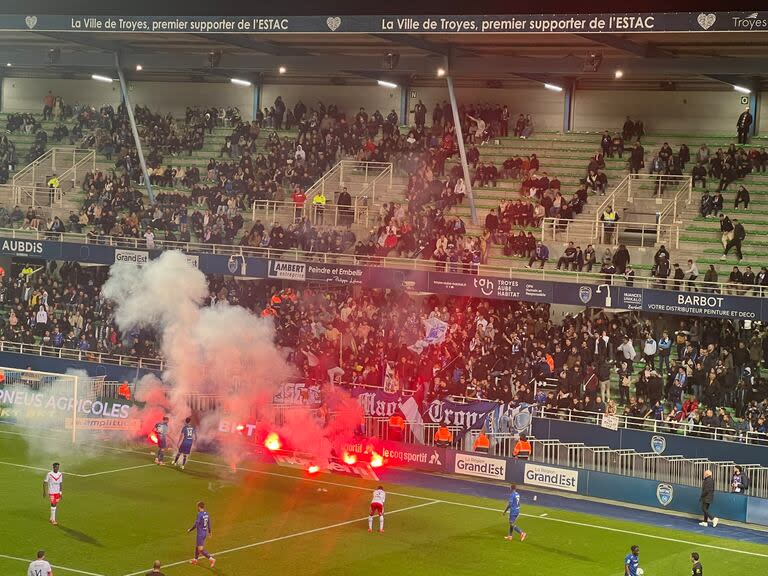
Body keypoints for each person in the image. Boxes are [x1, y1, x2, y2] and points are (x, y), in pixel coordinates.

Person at [188, 501, 215, 567]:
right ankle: (195, 560)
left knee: (200, 549)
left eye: (197, 506)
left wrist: (190, 530)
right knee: (197, 546)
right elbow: (209, 523)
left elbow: (196, 524)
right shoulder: (206, 513)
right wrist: (210, 532)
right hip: (204, 533)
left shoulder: (199, 514)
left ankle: (211, 559)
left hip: (200, 534)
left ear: (199, 507)